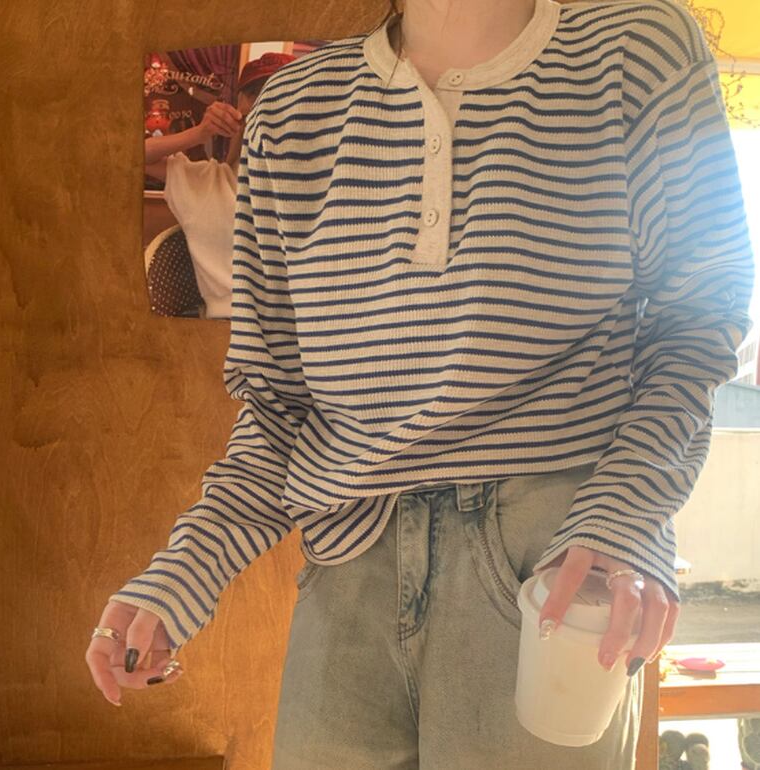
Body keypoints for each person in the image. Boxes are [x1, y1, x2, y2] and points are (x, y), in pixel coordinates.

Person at [86, 0, 755, 767]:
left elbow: (697, 325)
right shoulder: (291, 113)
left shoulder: (638, 51)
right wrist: (183, 572)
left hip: (553, 562)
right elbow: (278, 407)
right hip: (348, 568)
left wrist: (626, 516)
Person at [143, 53, 296, 319]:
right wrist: (199, 133)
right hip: (226, 328)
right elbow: (129, 157)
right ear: (241, 110)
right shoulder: (207, 181)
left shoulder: (324, 187)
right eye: (258, 94)